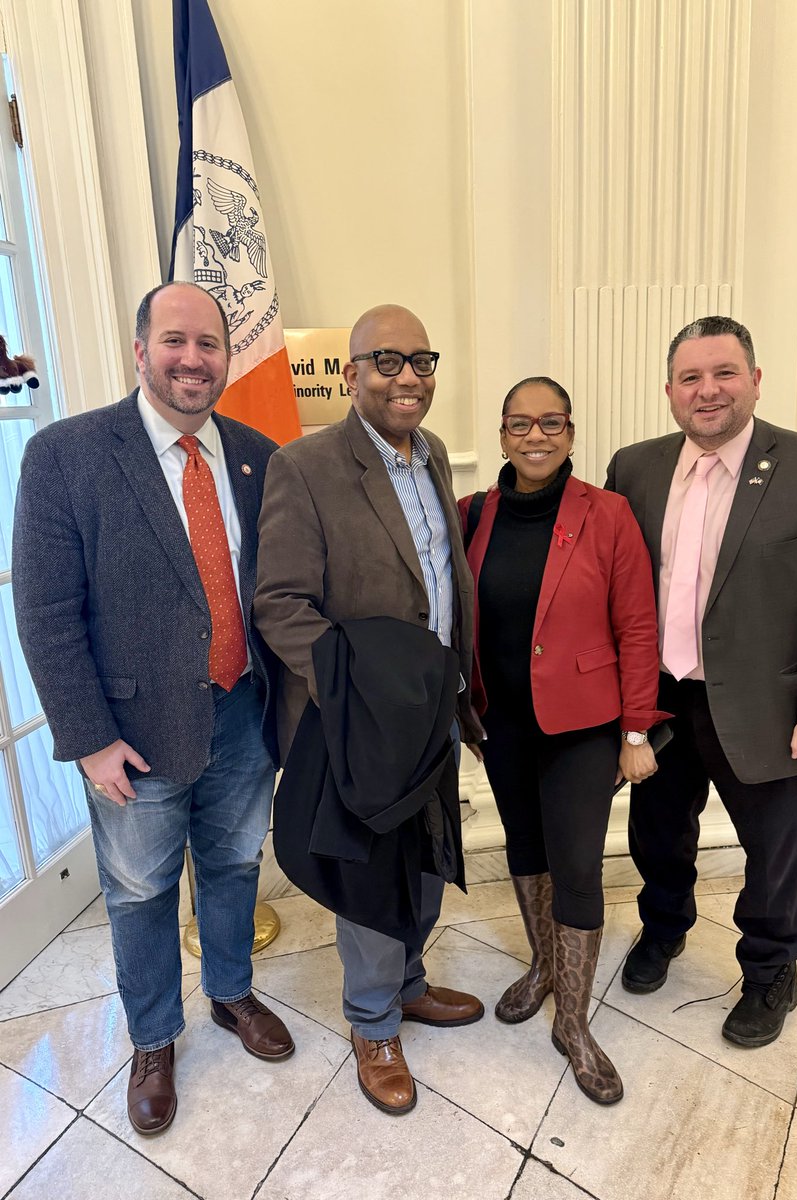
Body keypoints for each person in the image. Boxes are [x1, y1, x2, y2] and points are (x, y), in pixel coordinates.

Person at [11, 282, 294, 1136]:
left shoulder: (255, 453)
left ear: (227, 356)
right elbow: (45, 613)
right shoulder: (68, 454)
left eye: (209, 344)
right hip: (130, 735)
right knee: (137, 891)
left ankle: (231, 993)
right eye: (175, 341)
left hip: (243, 713)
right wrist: (90, 741)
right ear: (141, 350)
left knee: (237, 863)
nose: (192, 359)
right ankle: (152, 1038)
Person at [606, 316, 797, 1047]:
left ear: (754, 380)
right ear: (668, 391)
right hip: (661, 700)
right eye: (690, 377)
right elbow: (611, 589)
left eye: (723, 373)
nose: (707, 390)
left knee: (774, 850)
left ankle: (769, 970)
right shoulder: (633, 467)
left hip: (770, 706)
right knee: (658, 836)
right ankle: (662, 930)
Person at [254, 303, 484, 1116]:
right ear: (349, 375)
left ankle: (410, 984)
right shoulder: (306, 465)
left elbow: (440, 583)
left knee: (425, 856)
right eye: (385, 361)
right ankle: (372, 1021)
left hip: (435, 710)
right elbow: (280, 604)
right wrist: (362, 693)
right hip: (363, 718)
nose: (406, 377)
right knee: (371, 870)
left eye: (420, 360)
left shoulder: (434, 456)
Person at [459, 376, 669, 1104]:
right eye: (520, 424)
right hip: (503, 723)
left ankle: (572, 1022)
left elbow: (637, 625)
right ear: (502, 435)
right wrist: (465, 716)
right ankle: (544, 967)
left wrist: (636, 727)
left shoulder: (607, 514)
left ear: (571, 433)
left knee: (575, 865)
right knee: (523, 849)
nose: (535, 436)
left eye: (550, 423)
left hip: (584, 725)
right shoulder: (474, 514)